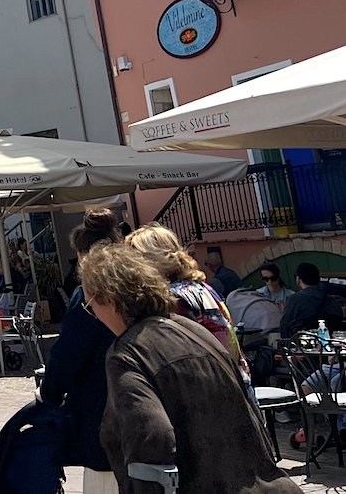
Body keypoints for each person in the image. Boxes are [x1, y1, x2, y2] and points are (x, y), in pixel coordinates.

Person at [79, 242, 301, 494]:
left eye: (91, 306)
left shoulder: (128, 353)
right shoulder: (192, 329)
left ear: (108, 299)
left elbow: (152, 437)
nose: (95, 316)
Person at [39, 206, 123, 494]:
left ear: (84, 254)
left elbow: (68, 354)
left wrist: (49, 393)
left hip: (103, 409)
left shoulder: (89, 295)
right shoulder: (139, 286)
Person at [127, 223, 248, 383]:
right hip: (236, 381)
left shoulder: (173, 298)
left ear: (154, 260)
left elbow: (182, 357)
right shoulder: (202, 287)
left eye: (134, 260)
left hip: (211, 389)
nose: (130, 269)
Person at [280, 262, 343, 339]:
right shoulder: (332, 300)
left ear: (298, 279)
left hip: (302, 346)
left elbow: (285, 329)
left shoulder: (294, 300)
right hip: (332, 345)